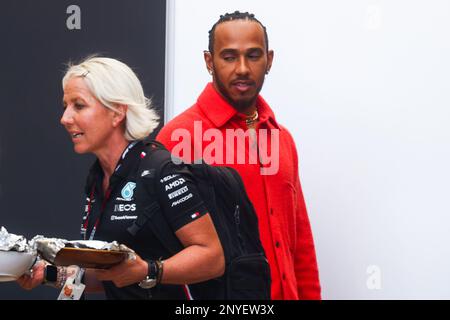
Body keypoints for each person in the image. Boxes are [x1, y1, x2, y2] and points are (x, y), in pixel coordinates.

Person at [17, 56, 225, 299]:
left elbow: (212, 257)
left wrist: (149, 271)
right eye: (65, 106)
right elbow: (112, 276)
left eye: (79, 105)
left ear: (117, 112)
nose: (65, 118)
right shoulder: (98, 179)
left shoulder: (161, 169)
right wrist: (49, 274)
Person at [156, 11, 321, 300]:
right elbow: (160, 255)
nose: (243, 68)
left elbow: (300, 243)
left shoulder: (282, 138)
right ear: (209, 62)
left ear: (269, 60)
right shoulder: (179, 138)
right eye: (229, 57)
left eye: (253, 56)